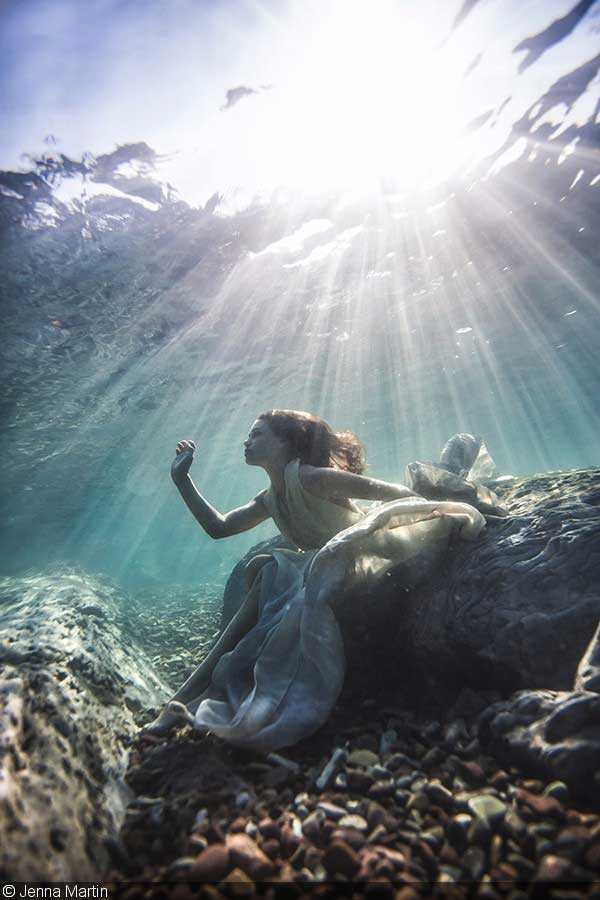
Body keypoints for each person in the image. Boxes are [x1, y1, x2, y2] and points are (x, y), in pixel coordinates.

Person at [140, 410, 486, 752]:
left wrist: (432, 514)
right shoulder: (270, 497)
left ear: (286, 442)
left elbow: (392, 492)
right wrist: (182, 480)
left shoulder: (310, 477)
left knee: (275, 576)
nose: (247, 441)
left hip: (362, 560)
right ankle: (189, 697)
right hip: (323, 569)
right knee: (271, 573)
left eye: (257, 433)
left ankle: (186, 698)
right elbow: (219, 528)